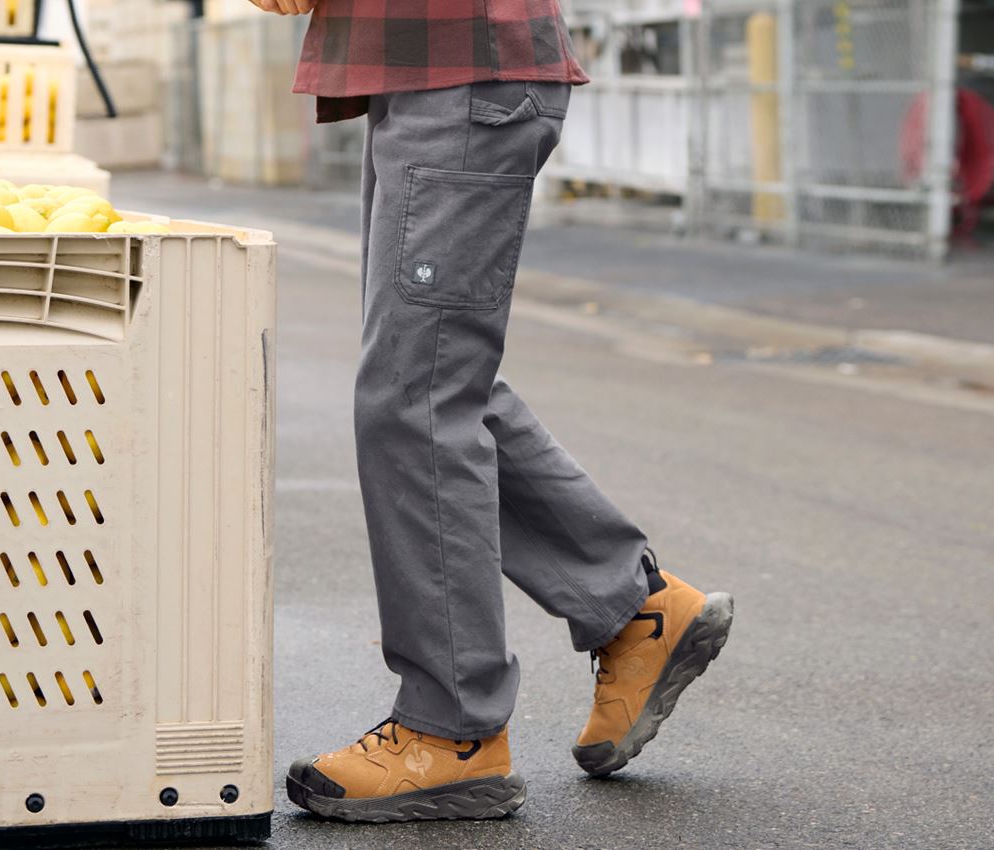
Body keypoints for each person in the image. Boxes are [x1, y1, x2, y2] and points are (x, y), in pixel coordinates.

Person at [250, 0, 735, 823]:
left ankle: (452, 733)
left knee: (417, 395)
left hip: (463, 76)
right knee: (430, 382)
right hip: (432, 78)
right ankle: (635, 609)